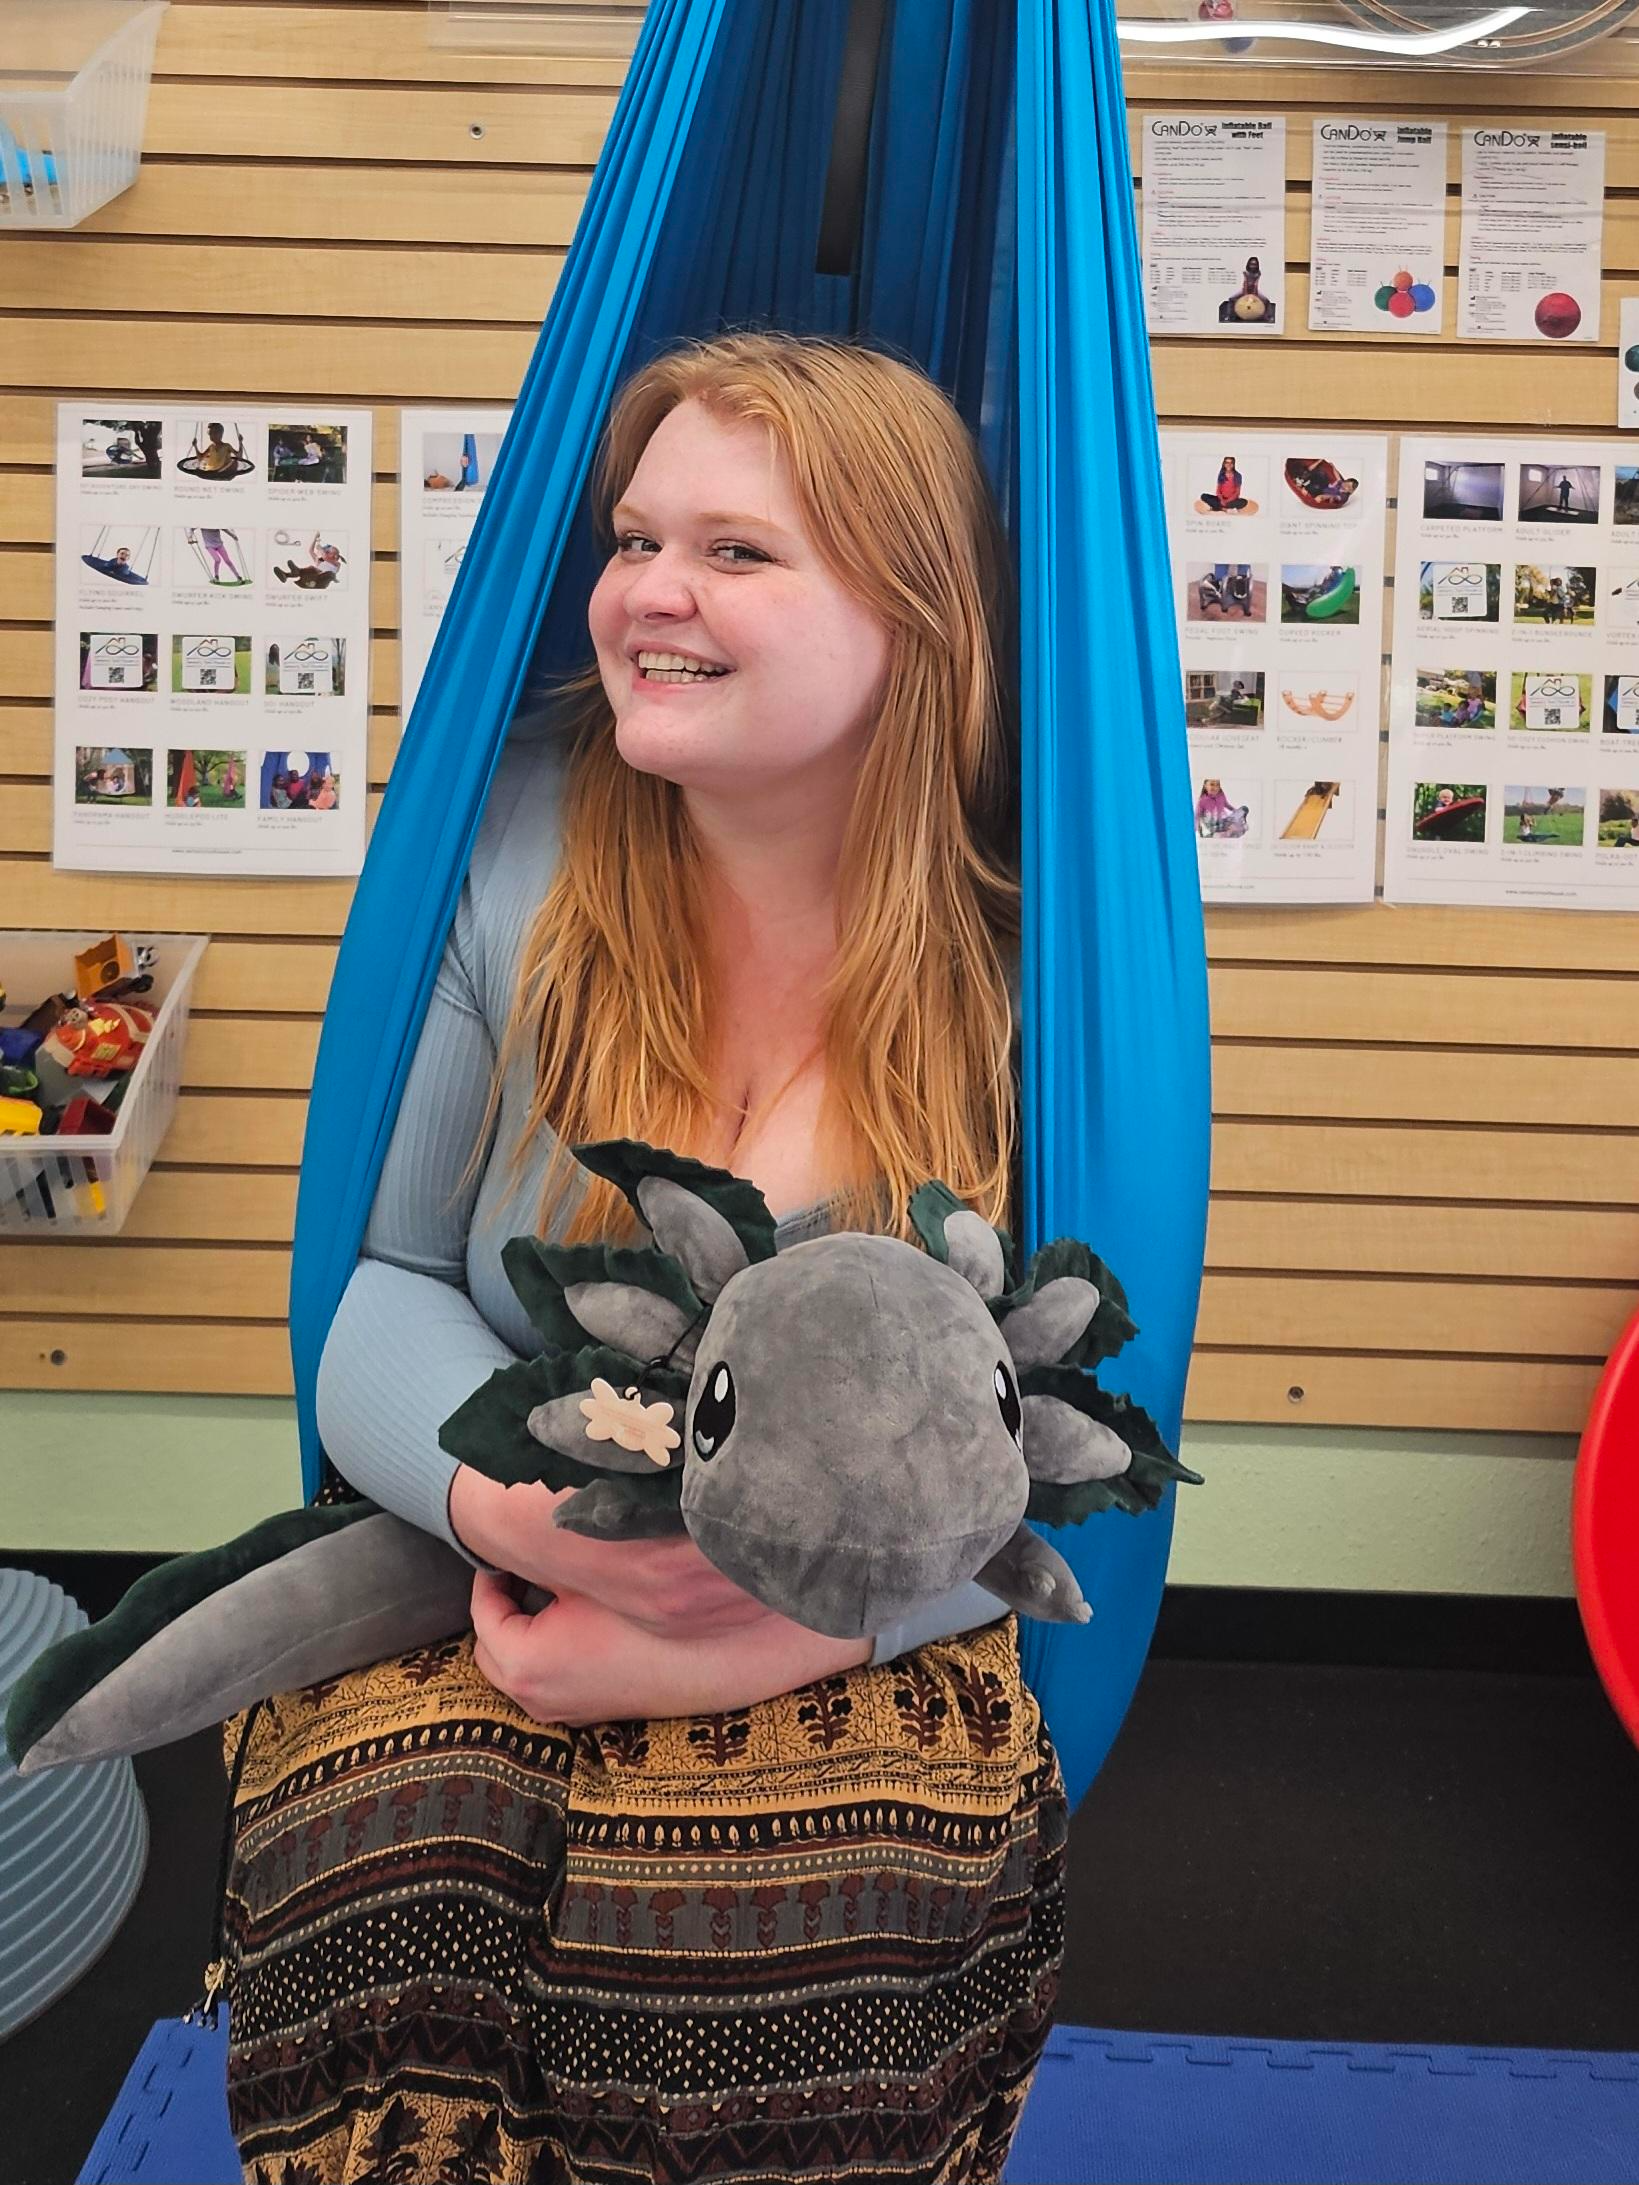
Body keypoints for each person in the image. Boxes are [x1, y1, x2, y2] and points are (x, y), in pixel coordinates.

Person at [219, 333, 1065, 2185]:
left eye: (736, 552)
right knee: (383, 1849)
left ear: (915, 622)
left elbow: (1075, 1435)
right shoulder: (515, 839)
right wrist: (521, 1525)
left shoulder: (1038, 973)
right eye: (631, 539)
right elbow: (377, 1284)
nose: (646, 595)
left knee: (786, 1915)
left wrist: (761, 1630)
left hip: (877, 1588)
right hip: (499, 1533)